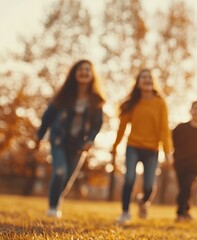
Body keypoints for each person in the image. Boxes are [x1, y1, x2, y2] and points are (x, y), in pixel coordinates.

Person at [35, 59, 106, 218]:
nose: (83, 72)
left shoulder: (96, 100)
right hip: (59, 139)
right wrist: (39, 136)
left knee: (67, 178)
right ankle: (53, 207)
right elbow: (48, 117)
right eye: (80, 69)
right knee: (60, 171)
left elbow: (98, 123)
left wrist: (91, 140)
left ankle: (56, 200)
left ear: (92, 75)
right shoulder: (63, 95)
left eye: (87, 70)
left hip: (79, 144)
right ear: (74, 73)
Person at [111, 68, 173, 224]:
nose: (147, 80)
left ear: (153, 83)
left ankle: (143, 201)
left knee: (149, 186)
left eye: (149, 78)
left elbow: (164, 129)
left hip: (152, 150)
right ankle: (125, 213)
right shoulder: (132, 103)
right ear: (138, 83)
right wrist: (115, 146)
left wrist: (168, 152)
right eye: (143, 78)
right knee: (130, 178)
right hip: (133, 146)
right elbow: (122, 128)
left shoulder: (160, 103)